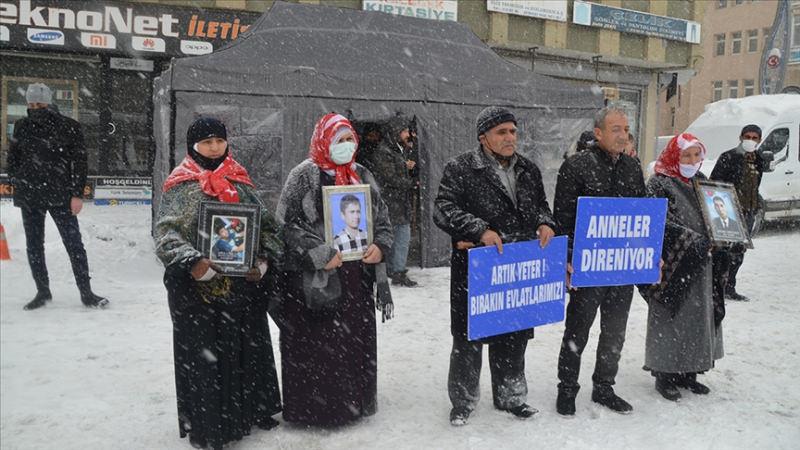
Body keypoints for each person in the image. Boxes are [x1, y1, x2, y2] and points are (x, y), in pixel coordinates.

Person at [154, 117, 282, 449]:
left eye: (219, 141)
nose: (214, 147)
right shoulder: (180, 185)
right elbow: (165, 233)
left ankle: (249, 412)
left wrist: (263, 260)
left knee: (244, 350)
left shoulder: (240, 181)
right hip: (197, 291)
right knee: (205, 359)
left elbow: (267, 225)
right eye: (206, 141)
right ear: (192, 146)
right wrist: (193, 262)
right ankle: (210, 425)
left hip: (240, 289)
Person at [434, 106, 556, 426]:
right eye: (502, 132)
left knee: (514, 333)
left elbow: (541, 206)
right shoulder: (461, 168)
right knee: (468, 337)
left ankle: (511, 396)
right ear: (483, 137)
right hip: (477, 266)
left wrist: (545, 223)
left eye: (513, 131)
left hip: (517, 264)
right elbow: (443, 208)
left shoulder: (528, 169)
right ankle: (463, 401)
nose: (510, 137)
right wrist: (478, 229)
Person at [275, 113, 394, 427]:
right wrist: (319, 253)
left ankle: (354, 404)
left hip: (357, 278)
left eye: (349, 139)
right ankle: (317, 411)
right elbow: (286, 226)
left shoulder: (362, 174)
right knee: (318, 345)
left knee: (353, 343)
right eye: (339, 140)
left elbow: (383, 220)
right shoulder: (303, 175)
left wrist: (380, 246)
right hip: (314, 280)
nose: (346, 146)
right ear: (323, 140)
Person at [553, 106, 646, 416]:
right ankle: (567, 389)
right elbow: (562, 220)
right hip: (587, 266)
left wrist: (649, 256)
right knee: (577, 329)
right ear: (598, 133)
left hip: (621, 267)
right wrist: (565, 259)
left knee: (614, 332)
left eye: (626, 129)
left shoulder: (633, 168)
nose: (623, 135)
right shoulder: (576, 166)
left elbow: (643, 218)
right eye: (616, 129)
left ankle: (604, 387)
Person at [7, 83, 108, 310]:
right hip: (30, 195)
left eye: (40, 104)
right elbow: (13, 156)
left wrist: (77, 194)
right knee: (34, 246)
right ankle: (42, 292)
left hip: (61, 195)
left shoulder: (68, 126)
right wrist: (17, 178)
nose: (35, 108)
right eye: (31, 104)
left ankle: (86, 292)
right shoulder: (21, 126)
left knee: (74, 244)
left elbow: (80, 162)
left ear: (49, 102)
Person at [642, 132, 723, 401]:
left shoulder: (704, 184)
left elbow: (720, 217)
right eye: (685, 155)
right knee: (672, 317)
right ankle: (665, 373)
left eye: (696, 154)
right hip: (674, 264)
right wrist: (693, 241)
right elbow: (659, 222)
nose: (691, 160)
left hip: (703, 265)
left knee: (699, 316)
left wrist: (725, 234)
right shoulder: (660, 183)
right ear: (675, 155)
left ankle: (692, 370)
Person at [710, 124, 771, 302]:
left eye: (754, 138)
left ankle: (730, 287)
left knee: (739, 251)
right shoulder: (729, 157)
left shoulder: (759, 159)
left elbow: (756, 183)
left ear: (759, 140)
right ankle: (716, 286)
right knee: (723, 251)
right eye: (747, 136)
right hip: (728, 210)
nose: (750, 140)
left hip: (748, 210)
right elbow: (715, 183)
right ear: (740, 137)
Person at [358, 117, 418, 287]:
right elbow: (390, 178)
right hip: (391, 203)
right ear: (396, 133)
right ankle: (396, 271)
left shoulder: (398, 151)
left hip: (398, 203)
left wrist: (407, 169)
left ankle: (394, 270)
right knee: (399, 237)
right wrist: (411, 183)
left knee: (398, 237)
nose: (409, 135)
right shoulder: (384, 152)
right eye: (405, 131)